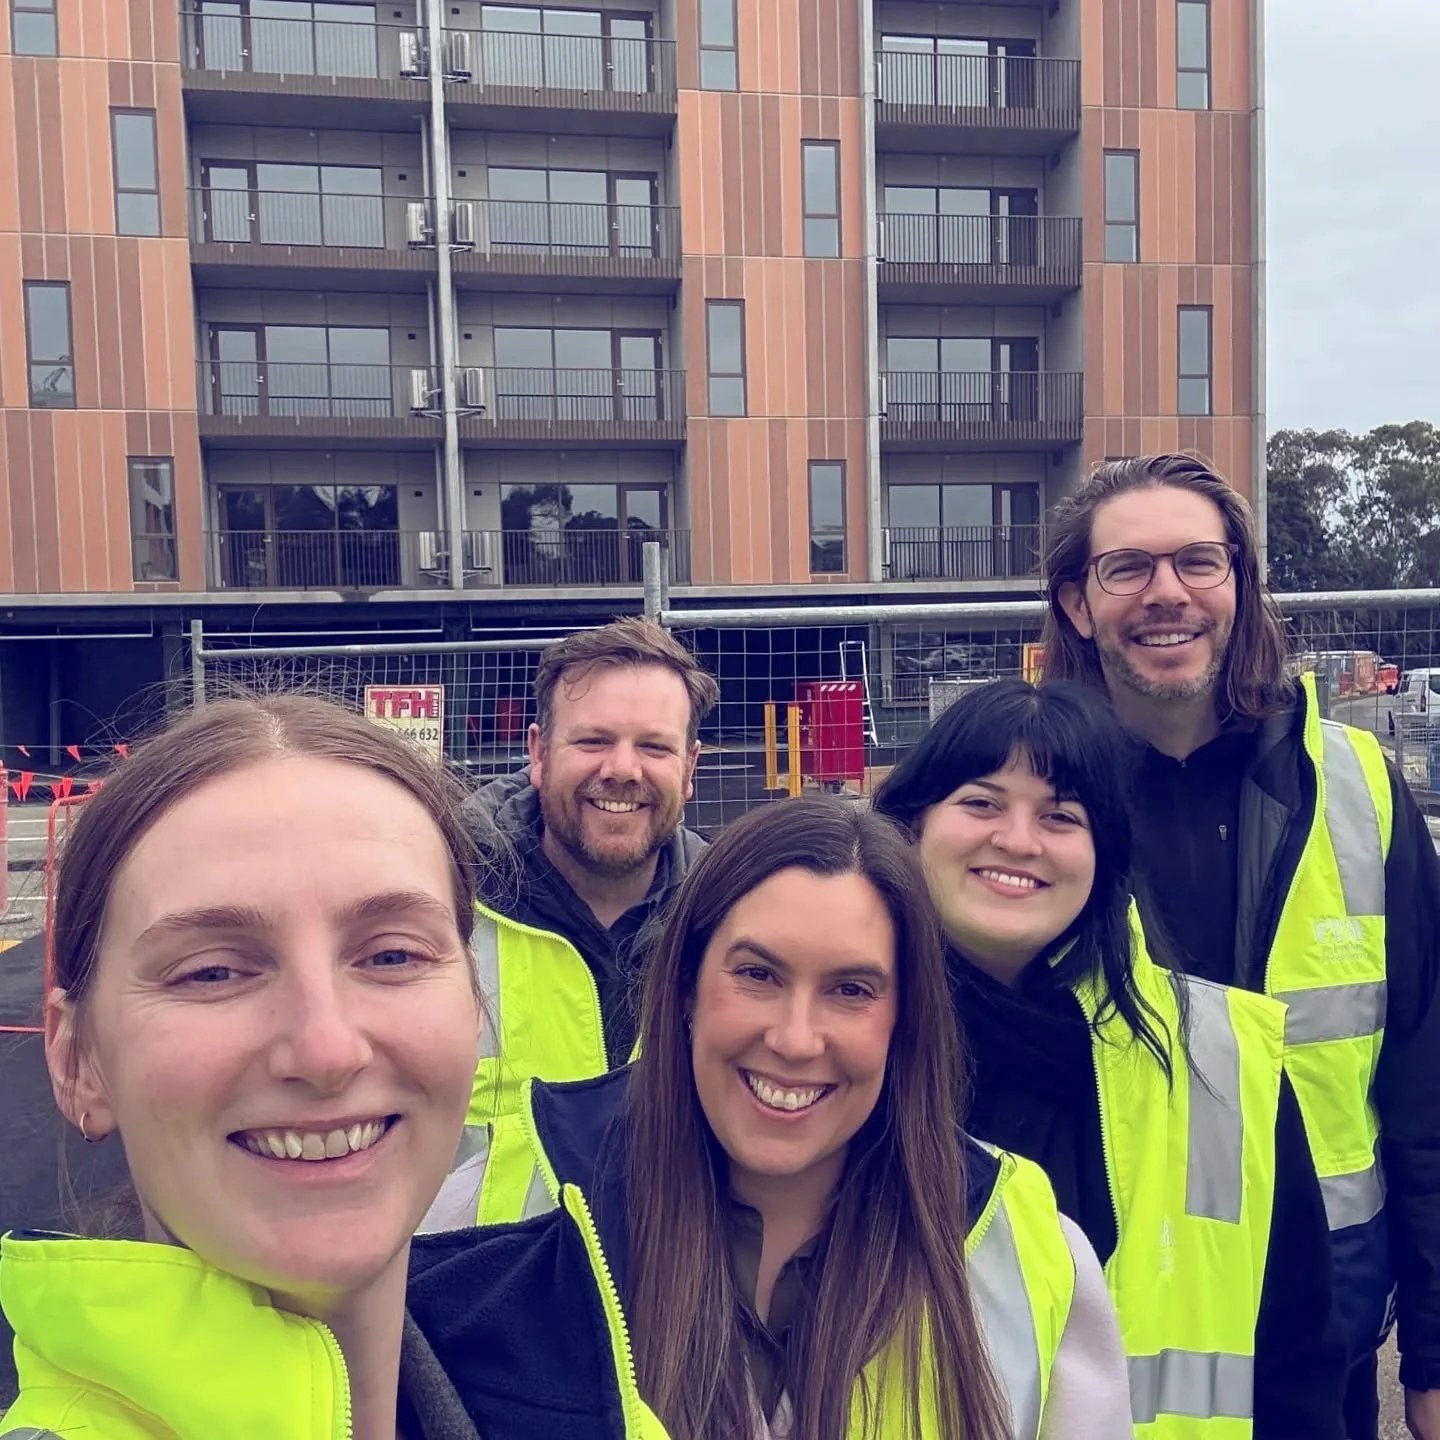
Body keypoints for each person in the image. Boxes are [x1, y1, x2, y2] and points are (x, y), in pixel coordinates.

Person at [0, 695, 668, 1440]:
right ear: (78, 1060)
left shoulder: (608, 1408)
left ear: (473, 1011)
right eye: (213, 972)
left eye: (390, 956)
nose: (326, 1049)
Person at [413, 796, 1135, 1439]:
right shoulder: (491, 1212)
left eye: (851, 989)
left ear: (903, 1018)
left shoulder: (1029, 1258)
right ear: (687, 986)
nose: (795, 1038)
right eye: (758, 974)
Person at [1040, 452, 1440, 1440]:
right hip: (1092, 1323)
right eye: (1127, 567)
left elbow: (1426, 1080)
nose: (1166, 592)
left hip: (1323, 1324)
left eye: (1197, 563)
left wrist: (1433, 1349)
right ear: (1079, 605)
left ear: (1239, 587)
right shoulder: (1017, 809)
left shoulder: (1360, 787)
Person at [874, 677, 1346, 1438]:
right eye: (982, 803)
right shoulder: (829, 1043)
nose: (1019, 840)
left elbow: (1298, 1354)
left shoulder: (1219, 1062)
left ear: (1104, 854)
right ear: (911, 825)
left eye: (1061, 816)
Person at [442, 617, 719, 1225]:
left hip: (667, 1303)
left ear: (690, 767)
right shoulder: (439, 910)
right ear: (539, 752)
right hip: (455, 1305)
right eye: (593, 741)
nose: (622, 769)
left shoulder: (730, 927)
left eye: (654, 746)